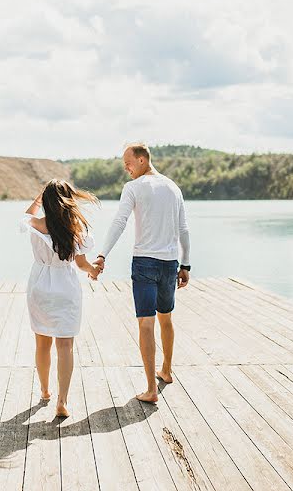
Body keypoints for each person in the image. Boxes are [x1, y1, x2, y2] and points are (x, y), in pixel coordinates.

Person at [94, 143, 191, 403]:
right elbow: (184, 229)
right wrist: (186, 264)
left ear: (141, 160)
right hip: (170, 263)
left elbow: (119, 222)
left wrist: (102, 254)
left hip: (145, 263)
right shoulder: (173, 187)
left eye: (127, 162)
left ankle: (151, 389)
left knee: (146, 323)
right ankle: (166, 371)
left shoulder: (134, 188)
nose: (125, 168)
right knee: (166, 319)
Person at [21, 179, 101, 418]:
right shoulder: (76, 228)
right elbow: (82, 264)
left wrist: (40, 196)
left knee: (42, 343)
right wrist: (93, 271)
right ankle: (62, 401)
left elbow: (27, 213)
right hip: (65, 288)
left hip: (39, 286)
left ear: (46, 201)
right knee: (65, 346)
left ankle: (45, 391)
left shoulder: (34, 224)